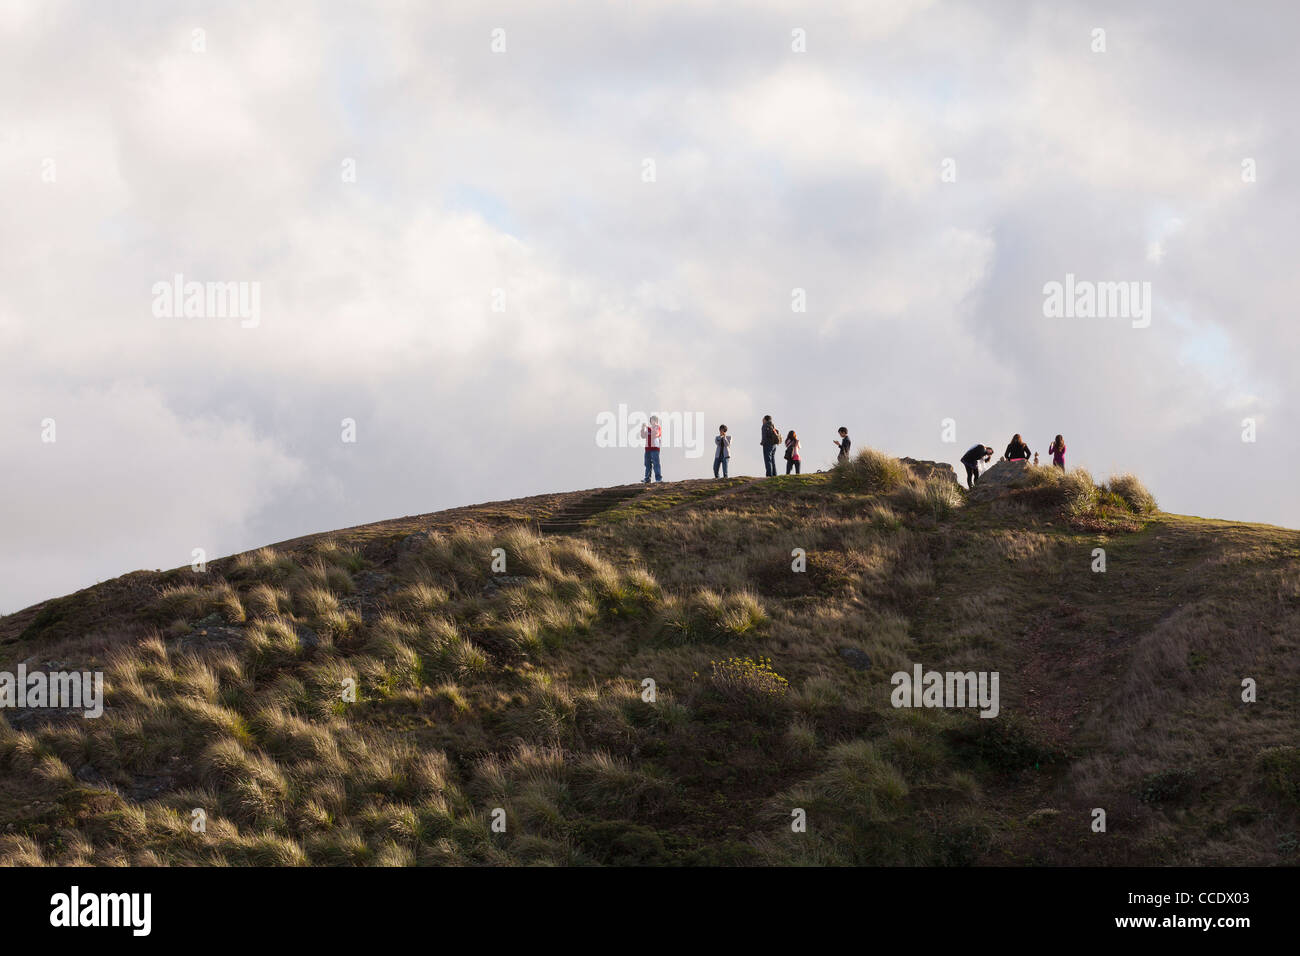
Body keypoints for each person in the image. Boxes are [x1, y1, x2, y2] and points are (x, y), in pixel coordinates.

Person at [641, 415, 663, 483]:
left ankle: (658, 478)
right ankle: (647, 478)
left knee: (656, 463)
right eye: (651, 420)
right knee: (647, 464)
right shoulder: (649, 428)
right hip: (648, 448)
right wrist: (643, 428)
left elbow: (656, 434)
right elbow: (643, 436)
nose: (652, 422)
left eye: (653, 420)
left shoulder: (657, 427)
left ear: (656, 421)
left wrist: (648, 428)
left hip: (655, 448)